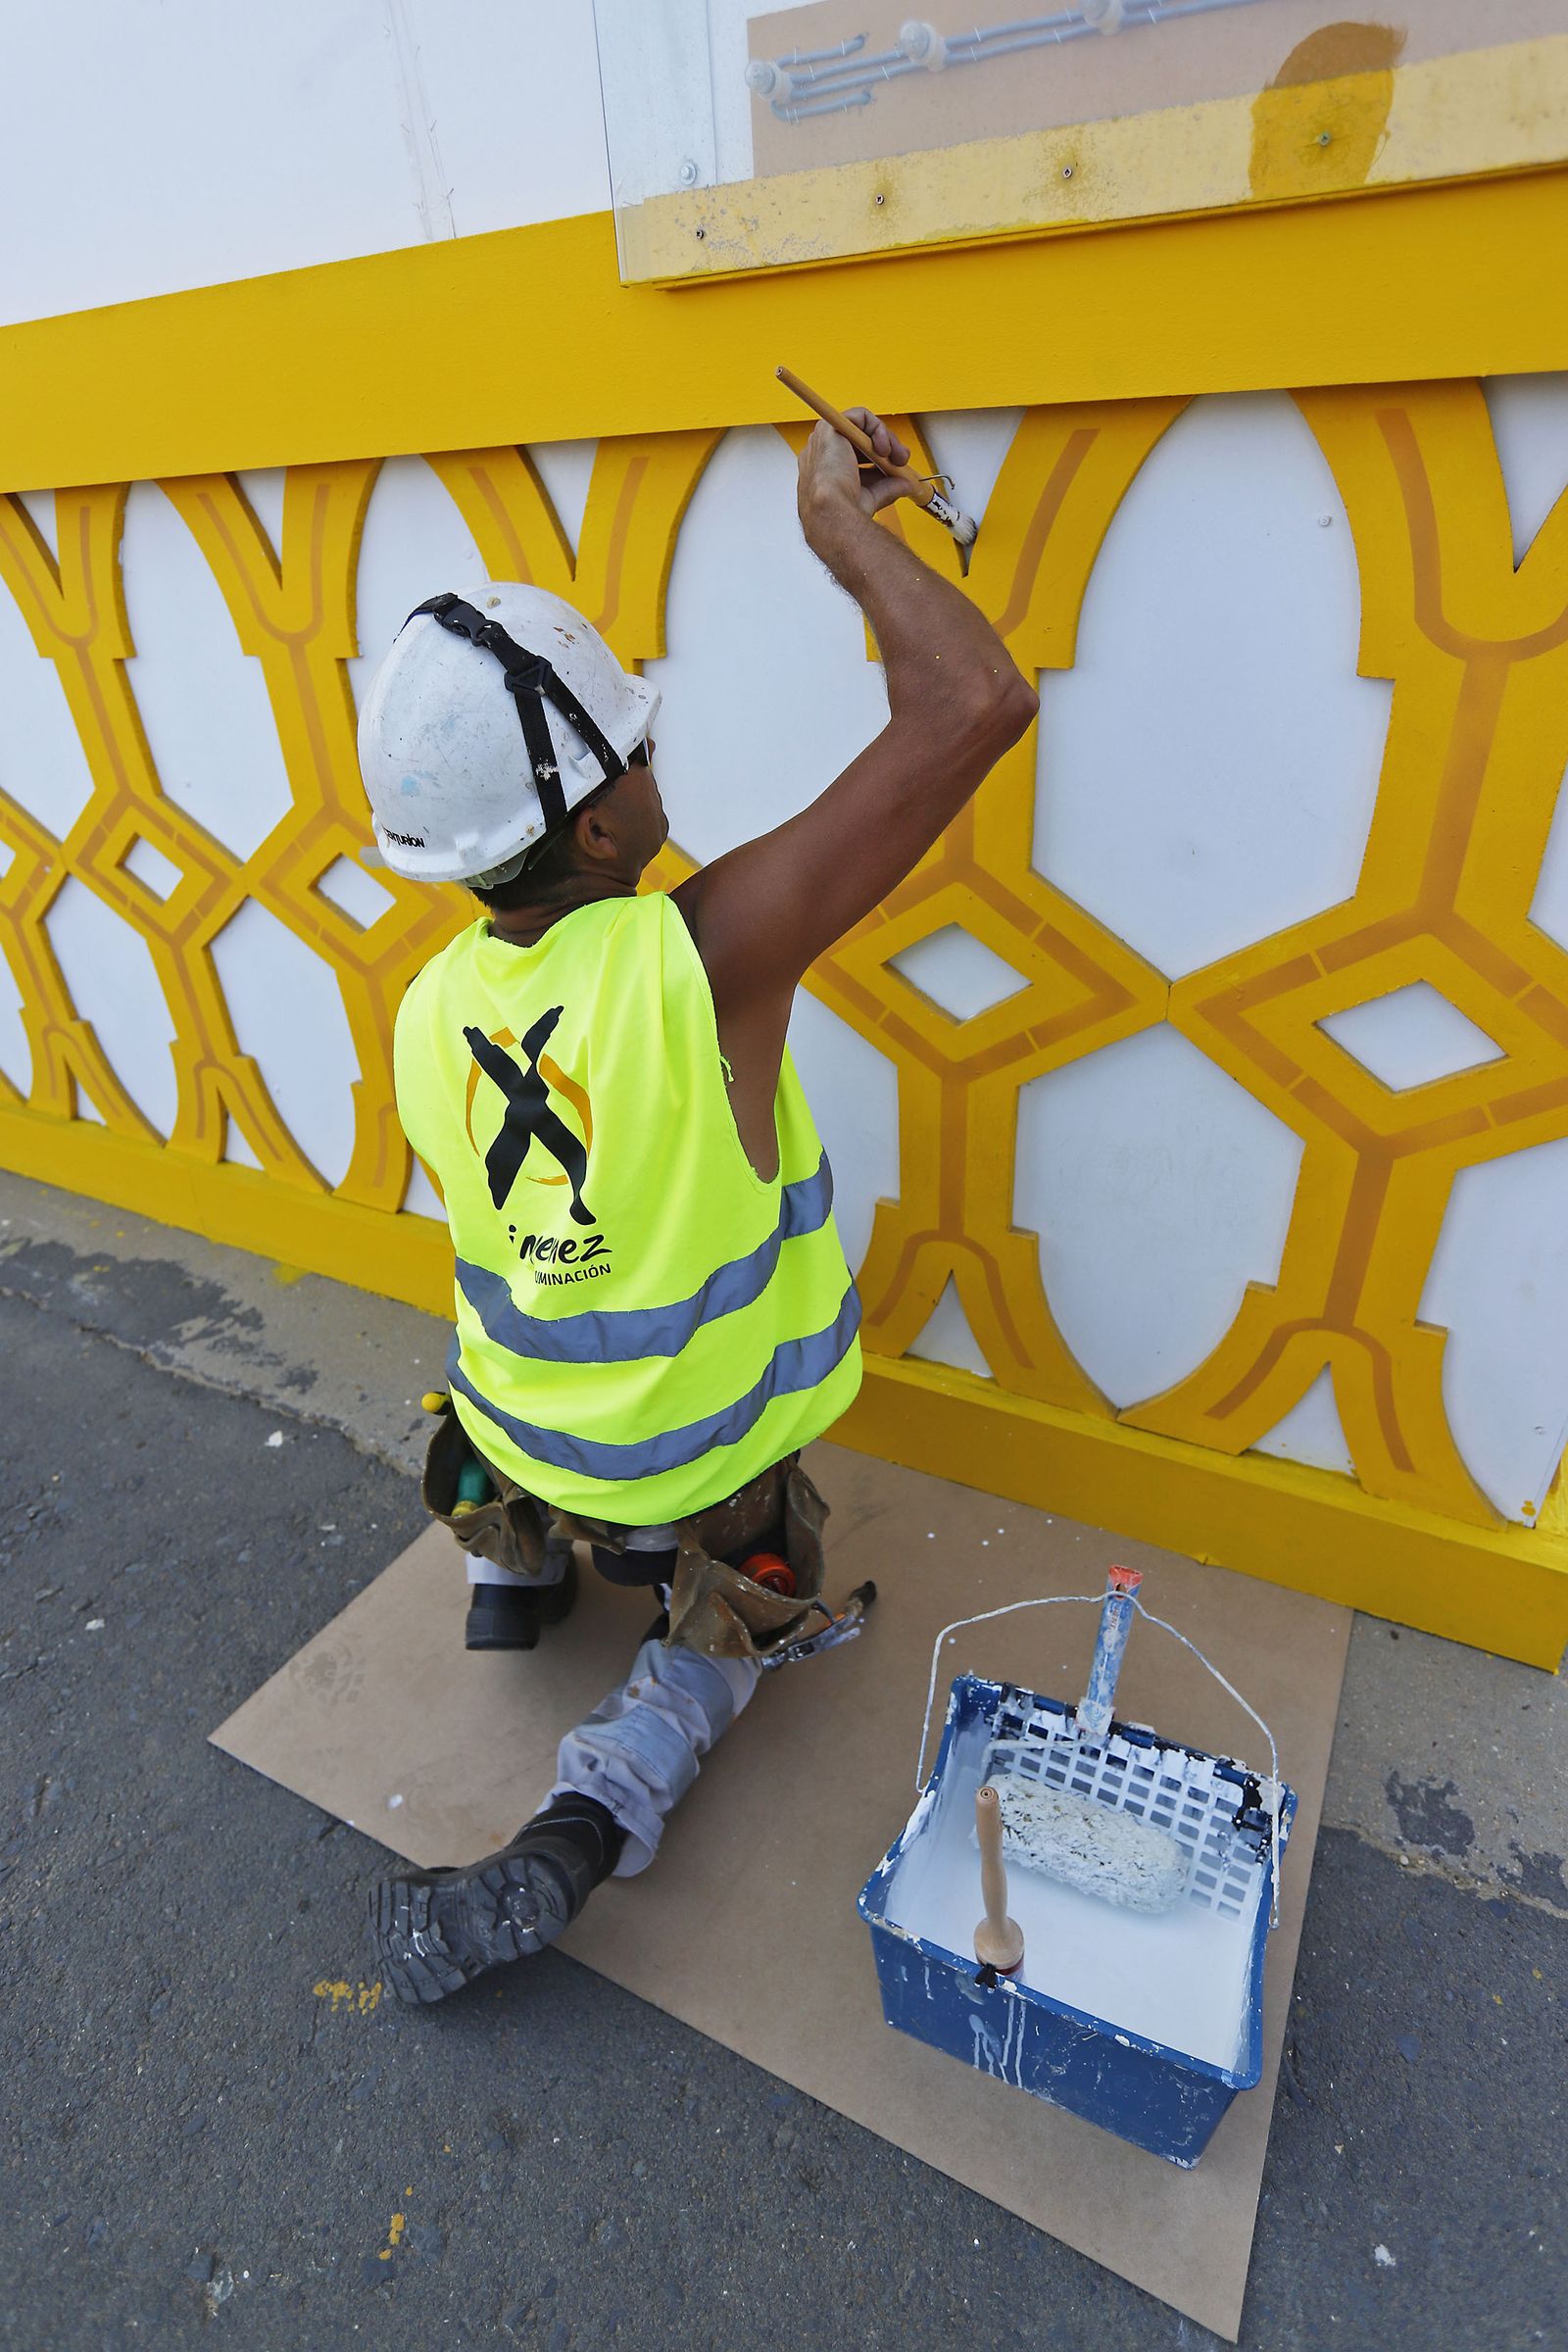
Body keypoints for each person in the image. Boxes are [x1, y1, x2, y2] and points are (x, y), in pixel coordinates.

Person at [355, 410, 1038, 2004]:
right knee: (762, 1573)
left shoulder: (427, 1002)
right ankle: (603, 1802)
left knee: (479, 1413)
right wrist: (839, 528)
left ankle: (511, 1572)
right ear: (600, 825)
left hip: (520, 1434)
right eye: (640, 750)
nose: (660, 765)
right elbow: (975, 702)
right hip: (683, 1461)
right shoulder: (702, 957)